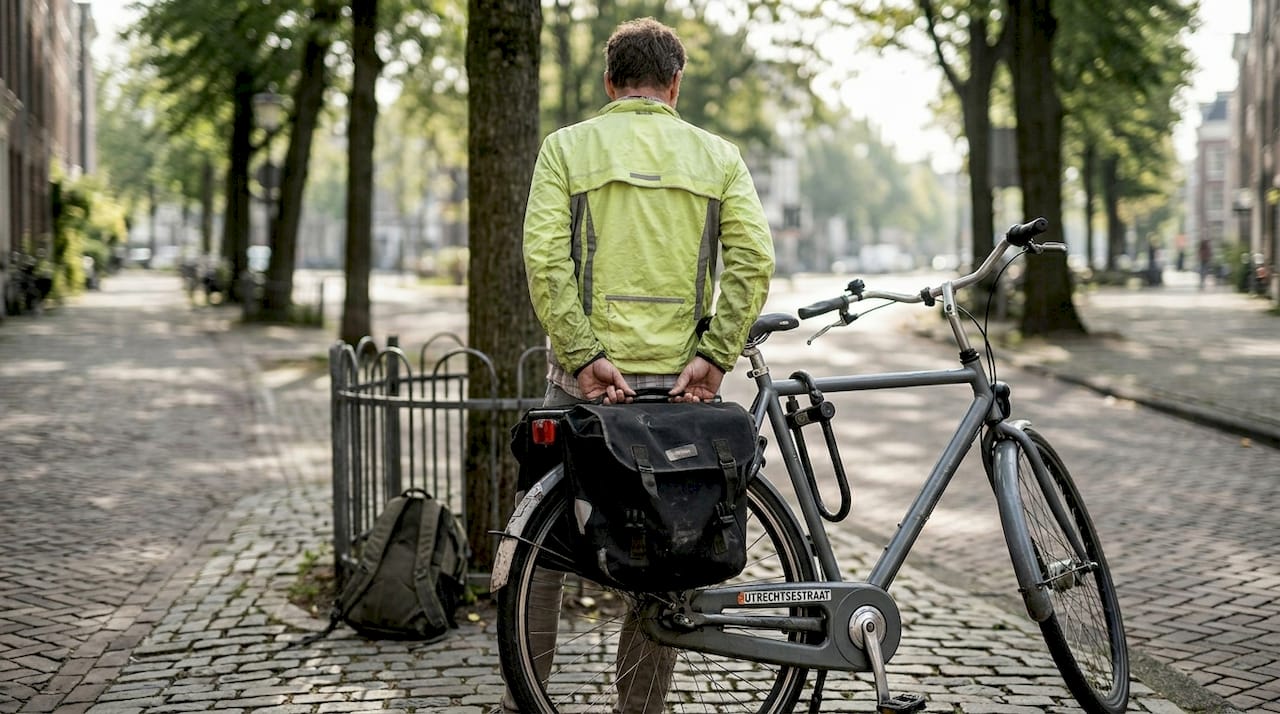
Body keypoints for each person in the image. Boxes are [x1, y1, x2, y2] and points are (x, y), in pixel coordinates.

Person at [508, 17, 776, 714]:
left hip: (584, 387)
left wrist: (584, 353)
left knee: (541, 552)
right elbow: (753, 261)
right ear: (675, 85)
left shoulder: (567, 149)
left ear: (609, 82)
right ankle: (640, 710)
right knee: (669, 550)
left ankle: (526, 693)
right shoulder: (716, 158)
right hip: (678, 393)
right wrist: (714, 356)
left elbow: (543, 259)